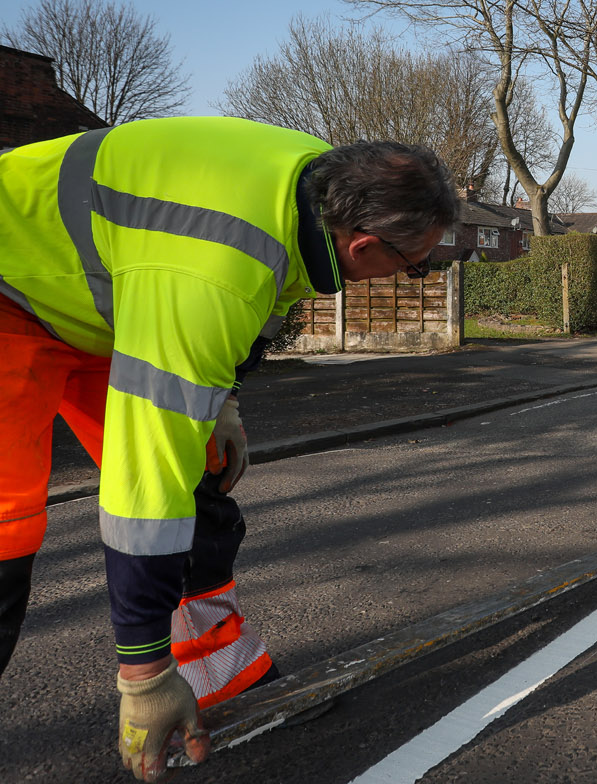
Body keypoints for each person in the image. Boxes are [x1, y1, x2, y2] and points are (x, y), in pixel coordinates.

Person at [0, 116, 458, 781]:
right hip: (14, 297)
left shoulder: (315, 181)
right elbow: (145, 484)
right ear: (363, 245)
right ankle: (169, 671)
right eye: (412, 270)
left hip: (103, 303)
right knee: (10, 528)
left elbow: (256, 310)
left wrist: (224, 404)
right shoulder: (217, 270)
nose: (409, 278)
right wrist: (143, 673)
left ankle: (218, 668)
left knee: (200, 480)